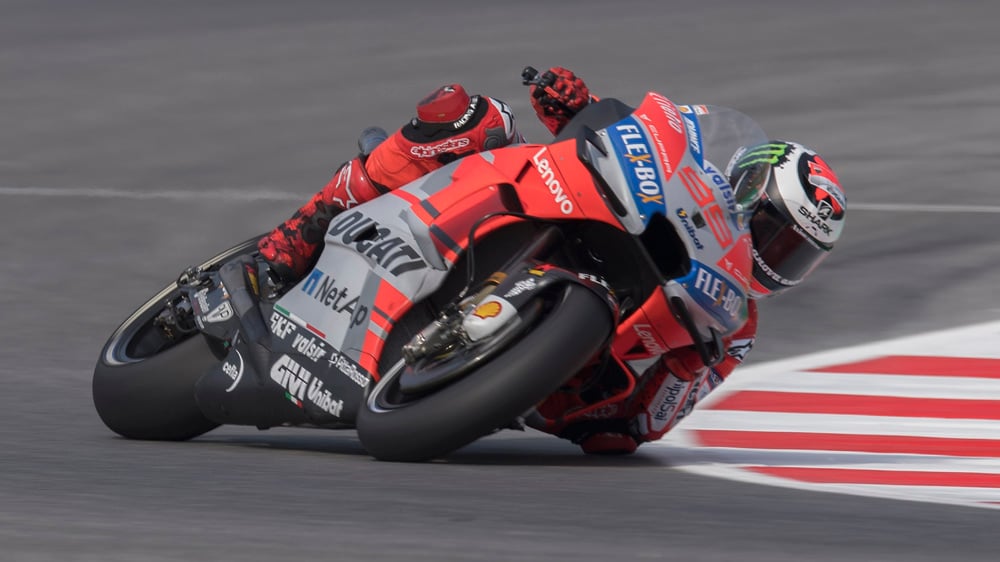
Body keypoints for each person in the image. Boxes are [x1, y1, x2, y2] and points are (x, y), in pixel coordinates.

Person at [257, 67, 847, 455]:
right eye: (776, 236)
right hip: (535, 208)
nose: (776, 260)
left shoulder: (733, 327)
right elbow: (628, 148)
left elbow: (651, 423)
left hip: (556, 389)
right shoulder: (695, 186)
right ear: (747, 190)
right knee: (472, 117)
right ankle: (304, 226)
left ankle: (472, 366)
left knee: (614, 438)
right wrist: (576, 109)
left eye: (796, 255)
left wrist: (686, 369)